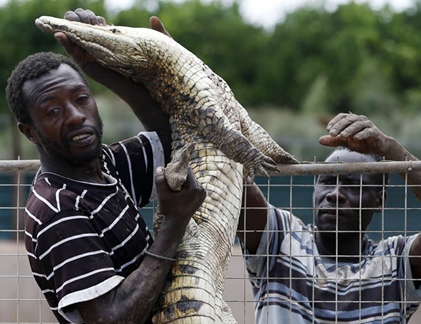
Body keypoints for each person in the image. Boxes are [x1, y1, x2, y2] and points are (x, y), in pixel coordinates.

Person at [6, 9, 206, 324]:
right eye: (54, 110)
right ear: (30, 132)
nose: (75, 115)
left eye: (81, 98)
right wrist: (173, 223)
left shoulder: (102, 166)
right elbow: (111, 319)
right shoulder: (57, 208)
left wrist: (99, 64)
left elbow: (170, 135)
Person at [237, 112, 421, 323]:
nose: (334, 194)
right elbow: (229, 176)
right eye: (326, 180)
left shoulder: (395, 263)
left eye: (352, 185)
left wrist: (390, 148)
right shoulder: (281, 239)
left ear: (380, 201)